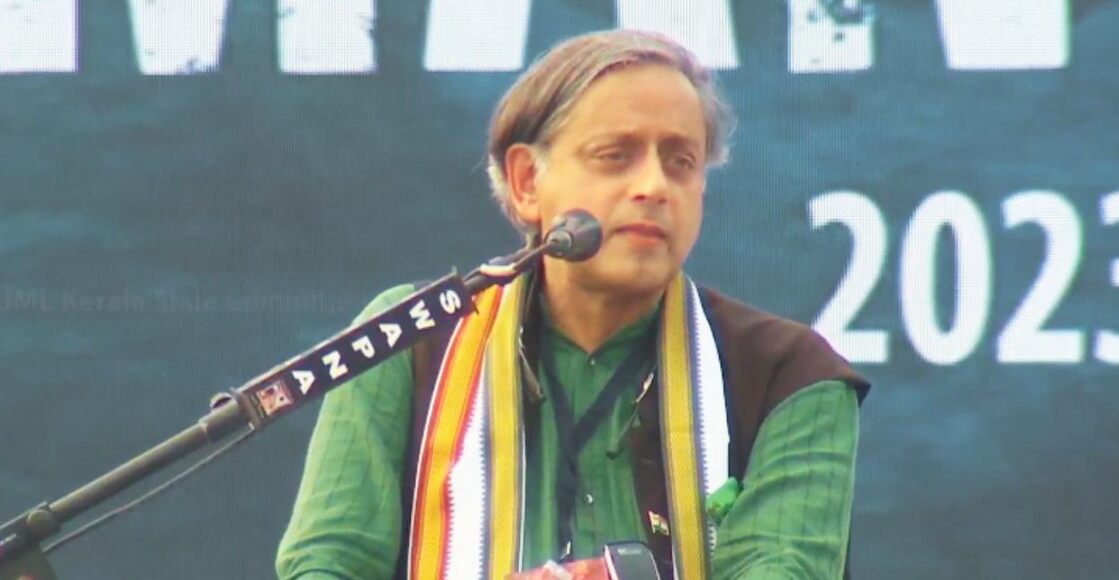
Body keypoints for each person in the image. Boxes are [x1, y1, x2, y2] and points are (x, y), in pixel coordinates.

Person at [276, 29, 869, 580]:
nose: (654, 187)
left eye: (680, 162)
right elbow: (328, 562)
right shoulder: (411, 338)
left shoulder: (790, 374)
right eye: (616, 155)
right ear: (527, 182)